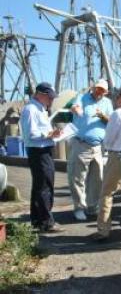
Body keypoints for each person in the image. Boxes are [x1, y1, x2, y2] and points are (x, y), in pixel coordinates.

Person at [90, 87, 121, 241]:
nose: (115, 101)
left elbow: (108, 140)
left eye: (116, 98)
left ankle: (103, 230)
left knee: (107, 193)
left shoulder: (118, 114)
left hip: (117, 156)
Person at [20, 82, 63, 233]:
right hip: (38, 151)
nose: (51, 100)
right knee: (44, 186)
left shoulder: (40, 110)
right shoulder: (31, 110)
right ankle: (46, 222)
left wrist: (53, 134)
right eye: (50, 97)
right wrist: (49, 134)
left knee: (40, 185)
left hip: (43, 150)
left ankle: (37, 220)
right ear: (41, 95)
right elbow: (31, 134)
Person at [68, 79, 113, 221]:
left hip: (98, 147)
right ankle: (79, 208)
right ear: (93, 88)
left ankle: (93, 207)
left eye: (103, 91)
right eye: (98, 89)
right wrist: (76, 109)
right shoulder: (82, 97)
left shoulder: (107, 103)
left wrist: (102, 116)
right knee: (77, 178)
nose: (99, 92)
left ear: (106, 92)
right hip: (81, 144)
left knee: (97, 180)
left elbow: (111, 121)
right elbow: (75, 107)